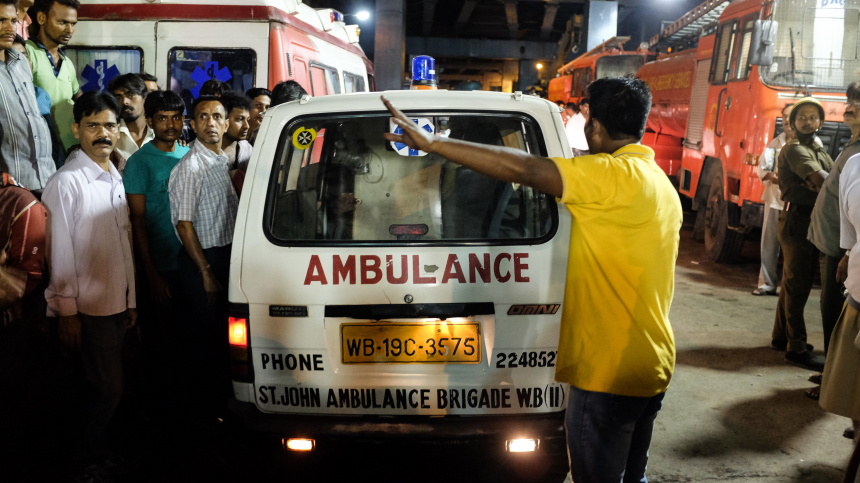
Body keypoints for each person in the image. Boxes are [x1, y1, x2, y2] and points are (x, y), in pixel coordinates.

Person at [383, 76, 682, 483]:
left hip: (608, 372)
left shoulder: (609, 177)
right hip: (652, 362)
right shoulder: (658, 181)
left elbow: (523, 168)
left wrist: (433, 144)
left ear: (593, 123)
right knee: (634, 477)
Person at [41, 90, 137, 478]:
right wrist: (66, 312)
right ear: (76, 128)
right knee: (105, 389)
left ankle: (95, 453)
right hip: (88, 309)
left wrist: (131, 301)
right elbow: (59, 252)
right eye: (93, 125)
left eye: (110, 125)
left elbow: (123, 243)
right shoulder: (67, 182)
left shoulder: (114, 174)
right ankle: (83, 461)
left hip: (116, 305)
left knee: (108, 388)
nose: (103, 133)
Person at [168, 95, 237, 411]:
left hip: (220, 256)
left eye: (217, 116)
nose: (211, 122)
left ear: (226, 123)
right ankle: (200, 413)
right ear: (192, 125)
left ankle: (217, 405)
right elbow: (184, 226)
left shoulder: (220, 160)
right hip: (201, 260)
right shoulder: (191, 166)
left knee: (219, 337)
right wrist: (206, 272)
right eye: (203, 117)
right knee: (202, 340)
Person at [124, 90, 189, 412]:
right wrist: (151, 275)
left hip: (188, 265)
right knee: (158, 348)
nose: (170, 125)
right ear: (149, 121)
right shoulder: (139, 163)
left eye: (176, 117)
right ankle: (156, 414)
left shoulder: (188, 155)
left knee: (186, 345)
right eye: (162, 118)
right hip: (160, 267)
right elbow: (137, 223)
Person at [805, 84, 860, 399]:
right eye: (850, 100)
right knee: (829, 308)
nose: (849, 106)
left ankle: (834, 380)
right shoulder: (852, 144)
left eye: (857, 102)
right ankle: (830, 371)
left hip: (844, 250)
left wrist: (848, 253)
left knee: (836, 311)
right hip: (832, 242)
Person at [772, 97, 833, 371]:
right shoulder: (795, 149)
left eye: (813, 117)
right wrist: (821, 183)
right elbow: (824, 181)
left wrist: (823, 183)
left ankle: (781, 336)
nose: (808, 122)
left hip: (805, 218)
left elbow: (828, 179)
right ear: (793, 123)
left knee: (792, 281)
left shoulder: (817, 149)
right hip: (797, 220)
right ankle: (796, 348)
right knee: (798, 284)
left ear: (821, 121)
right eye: (802, 117)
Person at [820, 151, 860, 446]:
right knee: (853, 381)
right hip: (859, 293)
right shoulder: (855, 164)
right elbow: (849, 224)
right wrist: (847, 253)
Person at [0, 3, 55, 193]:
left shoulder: (21, 61)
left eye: (13, 21)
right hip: (11, 186)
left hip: (46, 178)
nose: (10, 28)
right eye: (1, 21)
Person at [25, 0, 82, 153]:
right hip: (39, 148)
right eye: (62, 22)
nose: (69, 30)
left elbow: (79, 99)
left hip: (69, 148)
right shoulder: (27, 53)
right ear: (42, 19)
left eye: (73, 23)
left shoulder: (67, 62)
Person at [753, 104, 795, 296]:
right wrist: (773, 176)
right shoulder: (774, 144)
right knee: (769, 244)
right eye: (784, 116)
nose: (786, 120)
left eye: (790, 116)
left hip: (795, 203)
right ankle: (766, 284)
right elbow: (763, 168)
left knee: (792, 246)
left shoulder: (814, 144)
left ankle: (789, 287)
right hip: (773, 199)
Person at [109, 73, 154, 169]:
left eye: (130, 95)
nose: (125, 101)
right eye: (118, 97)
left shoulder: (158, 133)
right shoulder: (110, 135)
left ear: (144, 99)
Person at [220, 90, 252, 167]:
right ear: (223, 120)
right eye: (240, 119)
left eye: (248, 120)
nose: (247, 126)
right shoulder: (200, 151)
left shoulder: (247, 150)